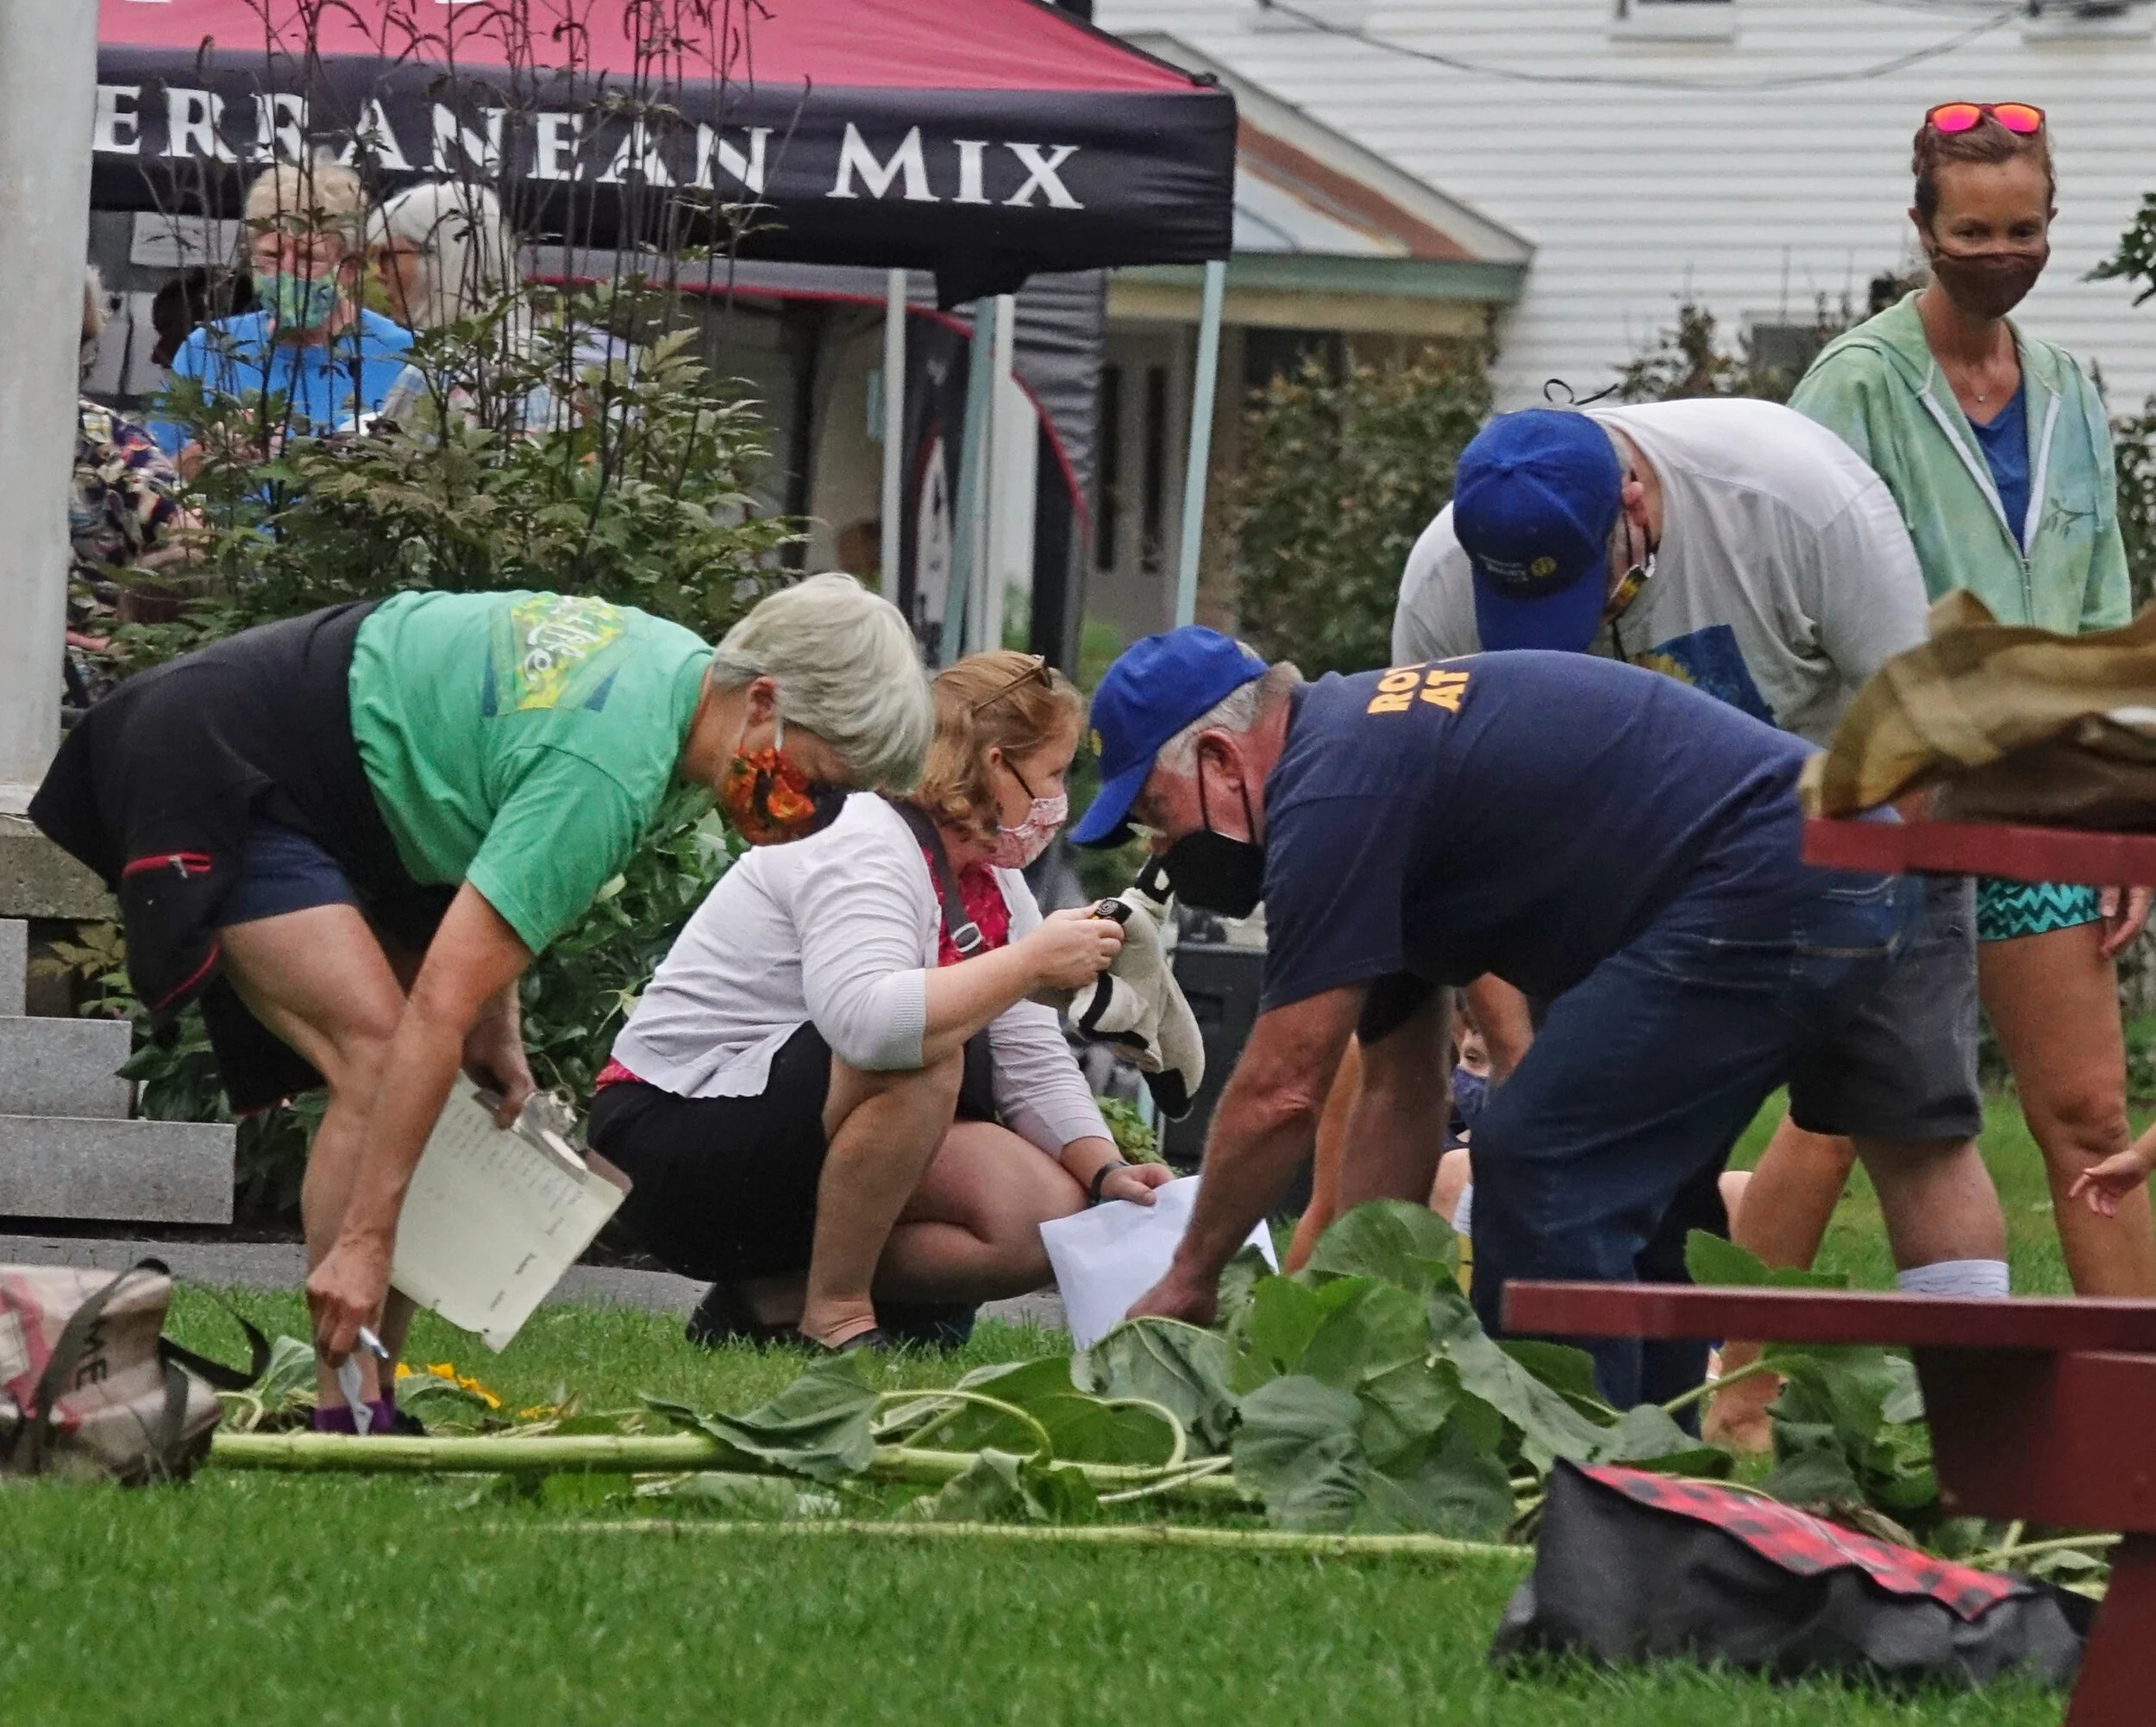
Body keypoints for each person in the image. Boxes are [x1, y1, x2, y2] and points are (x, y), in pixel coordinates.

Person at [28, 574, 932, 1419]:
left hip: (331, 789)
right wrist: (365, 1241)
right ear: (763, 701)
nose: (816, 813)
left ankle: (365, 1400)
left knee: (432, 1078)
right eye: (822, 779)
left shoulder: (675, 691)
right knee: (380, 1059)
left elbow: (491, 839)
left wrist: (497, 1019)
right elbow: (436, 1006)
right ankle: (351, 1408)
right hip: (220, 757)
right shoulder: (610, 764)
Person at [1075, 627, 2008, 1410]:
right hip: (1841, 856)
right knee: (1643, 1195)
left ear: (1219, 757)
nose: (1160, 850)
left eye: (1156, 813)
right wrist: (1341, 1336)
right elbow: (1401, 1090)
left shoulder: (1330, 789)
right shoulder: (1361, 758)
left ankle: (1563, 1467)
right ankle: (1651, 1464)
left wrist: (1190, 1276)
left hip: (1780, 871)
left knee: (1543, 1160)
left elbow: (1284, 1088)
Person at [1390, 404, 1996, 1447]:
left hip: (1861, 819)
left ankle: (1988, 1441)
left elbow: (1924, 734)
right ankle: (1632, 1450)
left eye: (1586, 583)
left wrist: (1857, 922)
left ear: (1632, 499)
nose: (1582, 621)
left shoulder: (1799, 501)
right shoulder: (1442, 581)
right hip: (1618, 881)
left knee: (1915, 1127)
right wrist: (1521, 1045)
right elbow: (1441, 826)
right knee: (1613, 1161)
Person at [1790, 103, 2156, 1303]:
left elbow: (2101, 603)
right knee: (1844, 1116)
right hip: (1896, 805)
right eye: (1973, 232)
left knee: (2090, 1111)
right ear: (1923, 229)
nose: (2002, 254)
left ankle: (2129, 1384)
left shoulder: (2063, 389)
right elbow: (1803, 585)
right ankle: (1726, 1378)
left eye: (2023, 230)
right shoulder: (1855, 384)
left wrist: (2121, 810)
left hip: (2041, 798)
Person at [590, 650, 1165, 1351]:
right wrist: (1029, 963)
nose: (1058, 801)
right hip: (668, 1134)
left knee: (1043, 1217)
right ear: (994, 766)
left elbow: (1031, 1057)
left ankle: (768, 1296)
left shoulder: (988, 874)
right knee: (920, 1053)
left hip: (784, 1122)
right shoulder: (861, 837)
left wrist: (1105, 1170)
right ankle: (834, 1315)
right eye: (1052, 774)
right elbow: (869, 1025)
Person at [148, 159, 413, 472]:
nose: (286, 272)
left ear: (350, 269)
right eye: (271, 255)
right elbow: (155, 480)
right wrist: (204, 457)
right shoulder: (208, 349)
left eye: (308, 258)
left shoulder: (407, 359)